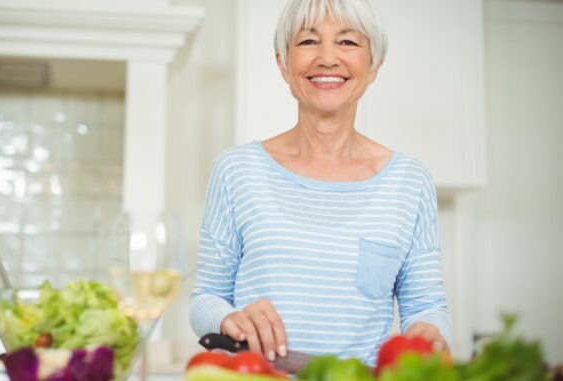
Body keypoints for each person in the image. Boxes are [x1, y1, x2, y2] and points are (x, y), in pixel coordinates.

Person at [190, 0, 451, 366]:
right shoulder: (236, 170)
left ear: (373, 64)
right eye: (308, 41)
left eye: (348, 42)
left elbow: (426, 307)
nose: (328, 58)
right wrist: (228, 317)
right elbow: (205, 298)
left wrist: (430, 334)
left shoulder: (410, 182)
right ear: (282, 62)